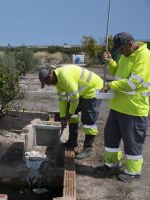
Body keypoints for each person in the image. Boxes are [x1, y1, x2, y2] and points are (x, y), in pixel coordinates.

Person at [100, 32, 150, 182]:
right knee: (110, 137)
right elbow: (119, 74)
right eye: (118, 50)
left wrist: (110, 85)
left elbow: (133, 83)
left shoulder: (144, 56)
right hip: (117, 106)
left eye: (121, 49)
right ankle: (111, 164)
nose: (120, 52)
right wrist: (111, 62)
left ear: (130, 44)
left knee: (132, 141)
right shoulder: (125, 56)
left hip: (133, 109)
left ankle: (133, 172)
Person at [39, 65, 103, 159]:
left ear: (49, 77)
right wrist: (62, 117)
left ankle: (87, 150)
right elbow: (62, 100)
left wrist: (68, 115)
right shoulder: (58, 82)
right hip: (82, 92)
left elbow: (75, 99)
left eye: (47, 82)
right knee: (70, 111)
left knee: (88, 120)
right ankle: (72, 141)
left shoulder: (65, 77)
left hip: (93, 89)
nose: (48, 85)